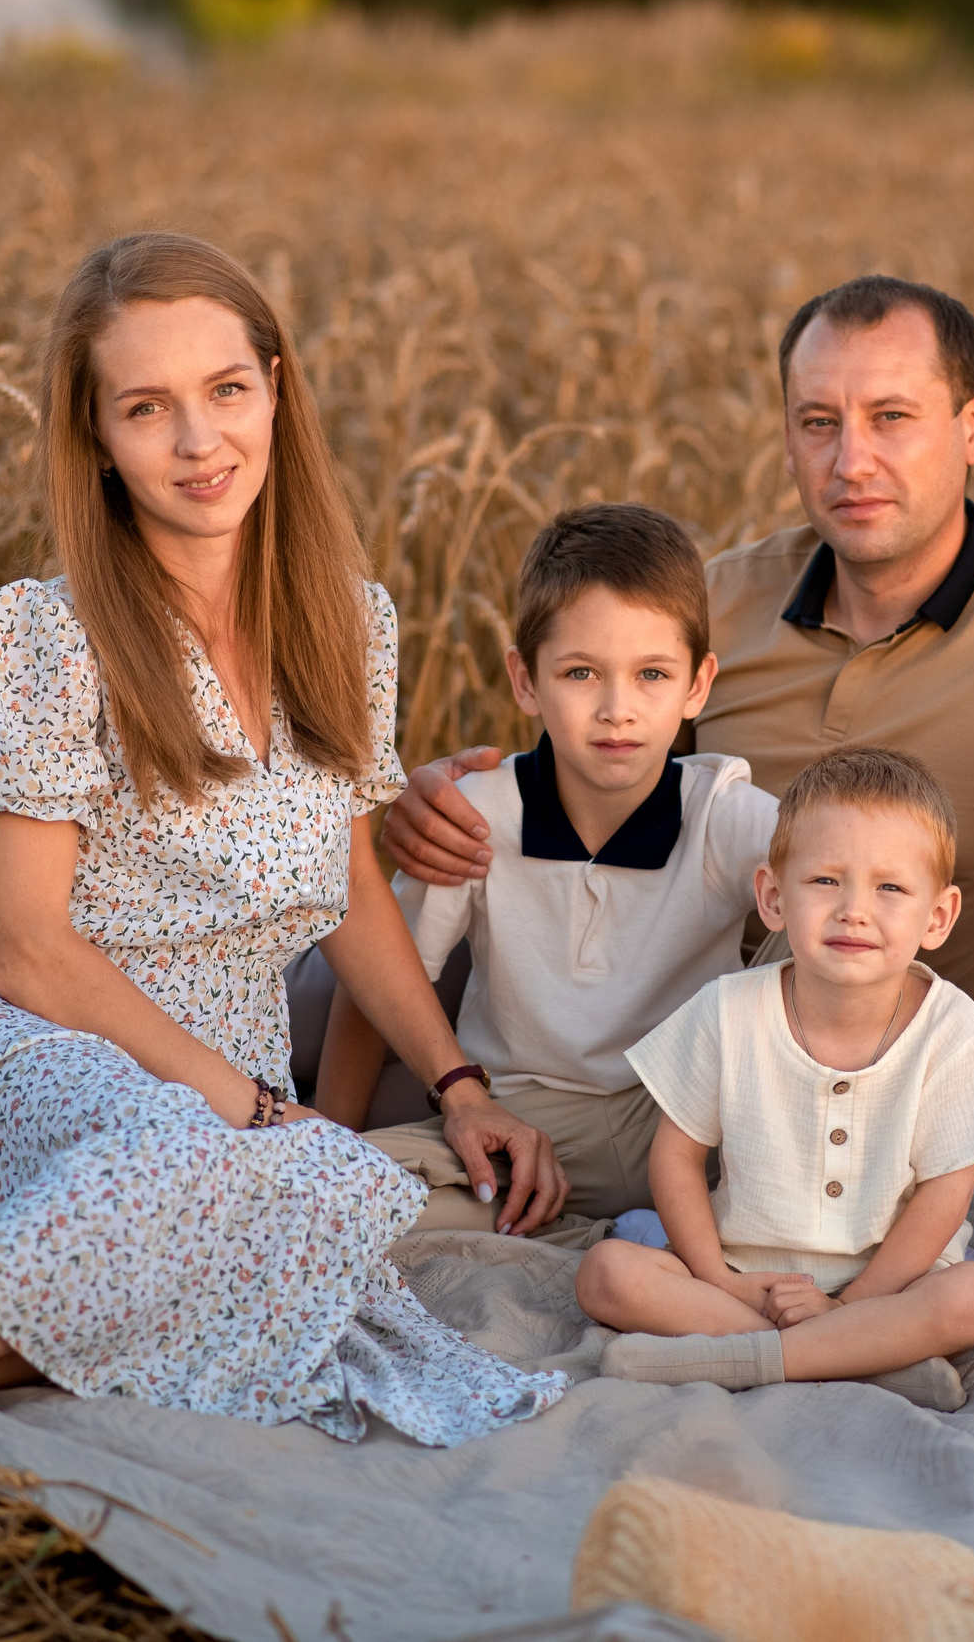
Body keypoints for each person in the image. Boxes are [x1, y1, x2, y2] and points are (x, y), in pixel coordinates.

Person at [0, 233, 564, 1512]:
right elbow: (26, 950)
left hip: (220, 1082)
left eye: (227, 389)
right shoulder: (51, 634)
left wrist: (458, 1083)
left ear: (276, 389)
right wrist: (245, 1108)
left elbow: (348, 889)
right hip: (24, 1051)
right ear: (97, 436)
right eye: (147, 407)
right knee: (232, 1173)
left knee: (345, 1186)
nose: (200, 440)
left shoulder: (350, 621)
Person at [378, 274, 974, 1023]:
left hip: (894, 1078)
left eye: (891, 417)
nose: (850, 462)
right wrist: (448, 813)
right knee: (341, 973)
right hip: (656, 1046)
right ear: (787, 439)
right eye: (819, 421)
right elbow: (585, 796)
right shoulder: (717, 602)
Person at [315, 504, 779, 1232]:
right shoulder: (476, 816)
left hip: (685, 1133)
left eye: (652, 674)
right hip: (520, 1129)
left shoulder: (721, 812)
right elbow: (379, 980)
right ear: (525, 680)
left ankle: (662, 1237)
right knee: (340, 1204)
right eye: (580, 673)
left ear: (698, 684)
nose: (618, 709)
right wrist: (326, 1140)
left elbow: (827, 854)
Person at [576, 748, 974, 1413]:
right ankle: (862, 1363)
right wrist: (719, 1278)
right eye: (825, 880)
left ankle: (743, 1355)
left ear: (938, 916)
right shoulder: (729, 1009)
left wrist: (852, 1302)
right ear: (773, 897)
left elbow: (946, 1194)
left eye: (890, 888)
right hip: (746, 1277)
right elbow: (676, 1158)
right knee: (606, 1273)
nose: (854, 910)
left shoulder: (949, 1026)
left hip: (890, 1287)